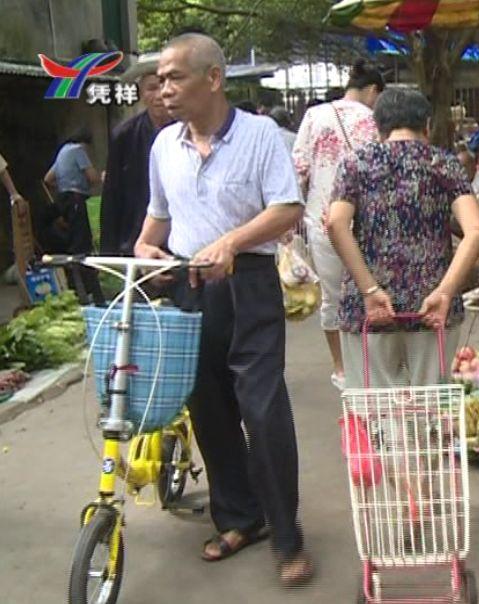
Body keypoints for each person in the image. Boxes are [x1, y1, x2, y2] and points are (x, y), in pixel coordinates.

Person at [134, 33, 313, 585]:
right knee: (208, 410)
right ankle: (240, 518)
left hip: (250, 285)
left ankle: (287, 536)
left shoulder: (259, 136)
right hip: (190, 290)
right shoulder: (163, 146)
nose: (163, 88)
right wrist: (147, 252)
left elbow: (287, 209)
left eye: (174, 77)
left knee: (262, 410)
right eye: (159, 79)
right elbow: (155, 225)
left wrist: (232, 243)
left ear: (213, 78)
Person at [326, 88, 479, 388]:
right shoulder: (444, 163)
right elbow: (476, 230)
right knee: (430, 413)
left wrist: (368, 288)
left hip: (370, 309)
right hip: (431, 307)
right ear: (426, 125)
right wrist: (445, 291)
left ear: (378, 126)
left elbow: (336, 224)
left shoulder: (356, 163)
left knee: (374, 410)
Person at [293, 59, 384, 391]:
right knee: (372, 291)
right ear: (373, 90)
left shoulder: (314, 115)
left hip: (323, 218)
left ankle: (341, 369)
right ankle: (373, 367)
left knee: (333, 298)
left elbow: (299, 168)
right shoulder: (375, 120)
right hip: (368, 221)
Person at [100, 56, 174, 255]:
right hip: (136, 235)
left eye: (162, 86)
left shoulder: (189, 130)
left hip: (180, 237)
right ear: (141, 93)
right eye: (151, 88)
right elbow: (112, 195)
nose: (159, 95)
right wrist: (110, 251)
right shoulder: (125, 135)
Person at [43, 126, 104, 302]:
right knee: (82, 247)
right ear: (86, 143)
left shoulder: (63, 151)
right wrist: (102, 178)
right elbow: (92, 177)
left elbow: (48, 179)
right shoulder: (79, 150)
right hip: (77, 199)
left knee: (71, 244)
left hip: (63, 200)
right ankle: (89, 291)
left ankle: (74, 288)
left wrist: (64, 186)